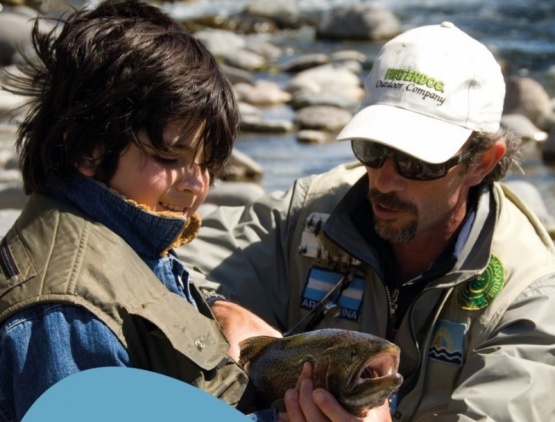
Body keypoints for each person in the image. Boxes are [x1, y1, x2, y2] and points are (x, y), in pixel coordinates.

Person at [180, 22, 555, 421]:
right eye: (373, 149)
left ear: (482, 162)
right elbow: (151, 260)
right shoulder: (310, 212)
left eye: (416, 162)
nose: (384, 180)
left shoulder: (531, 298)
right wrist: (221, 309)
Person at [0, 1, 356, 421]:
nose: (195, 184)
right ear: (88, 148)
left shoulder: (125, 228)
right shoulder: (65, 311)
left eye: (208, 163)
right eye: (169, 158)